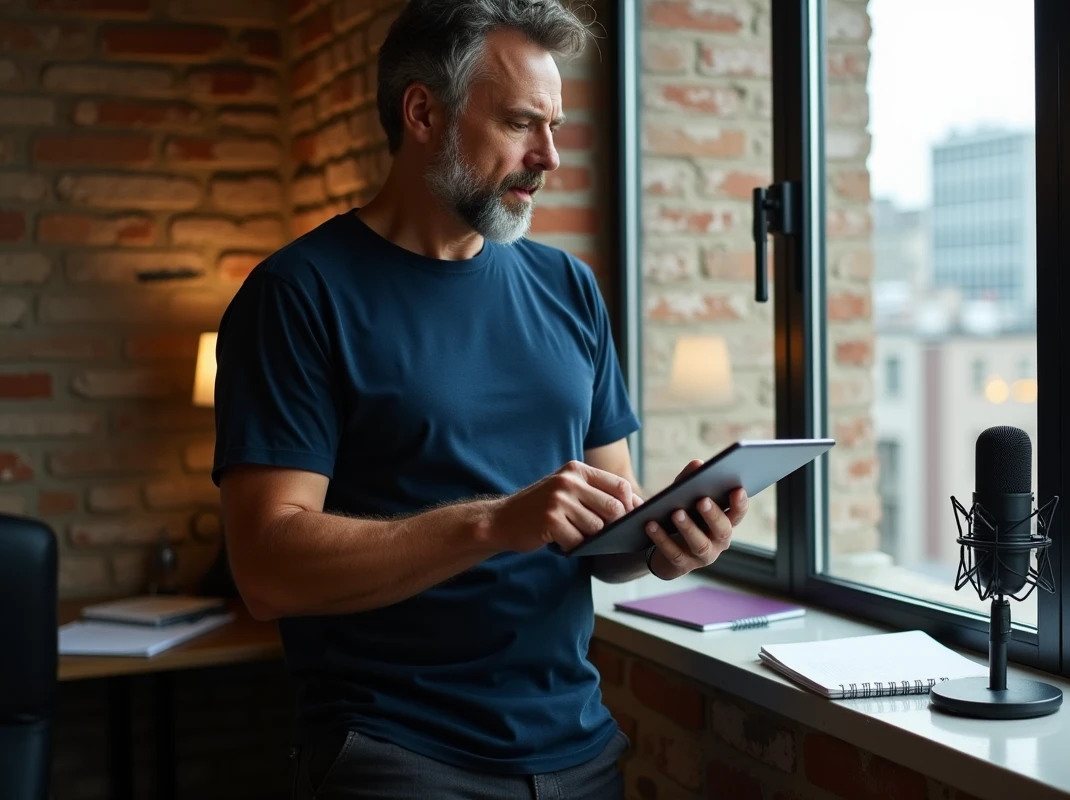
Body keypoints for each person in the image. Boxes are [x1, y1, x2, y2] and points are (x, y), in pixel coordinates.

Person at [211, 1, 750, 798]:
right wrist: (495, 522)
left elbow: (606, 537)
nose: (551, 157)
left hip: (579, 750)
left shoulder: (568, 288)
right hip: (395, 757)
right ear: (423, 111)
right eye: (521, 124)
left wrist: (669, 539)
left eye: (556, 126)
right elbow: (266, 569)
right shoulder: (297, 294)